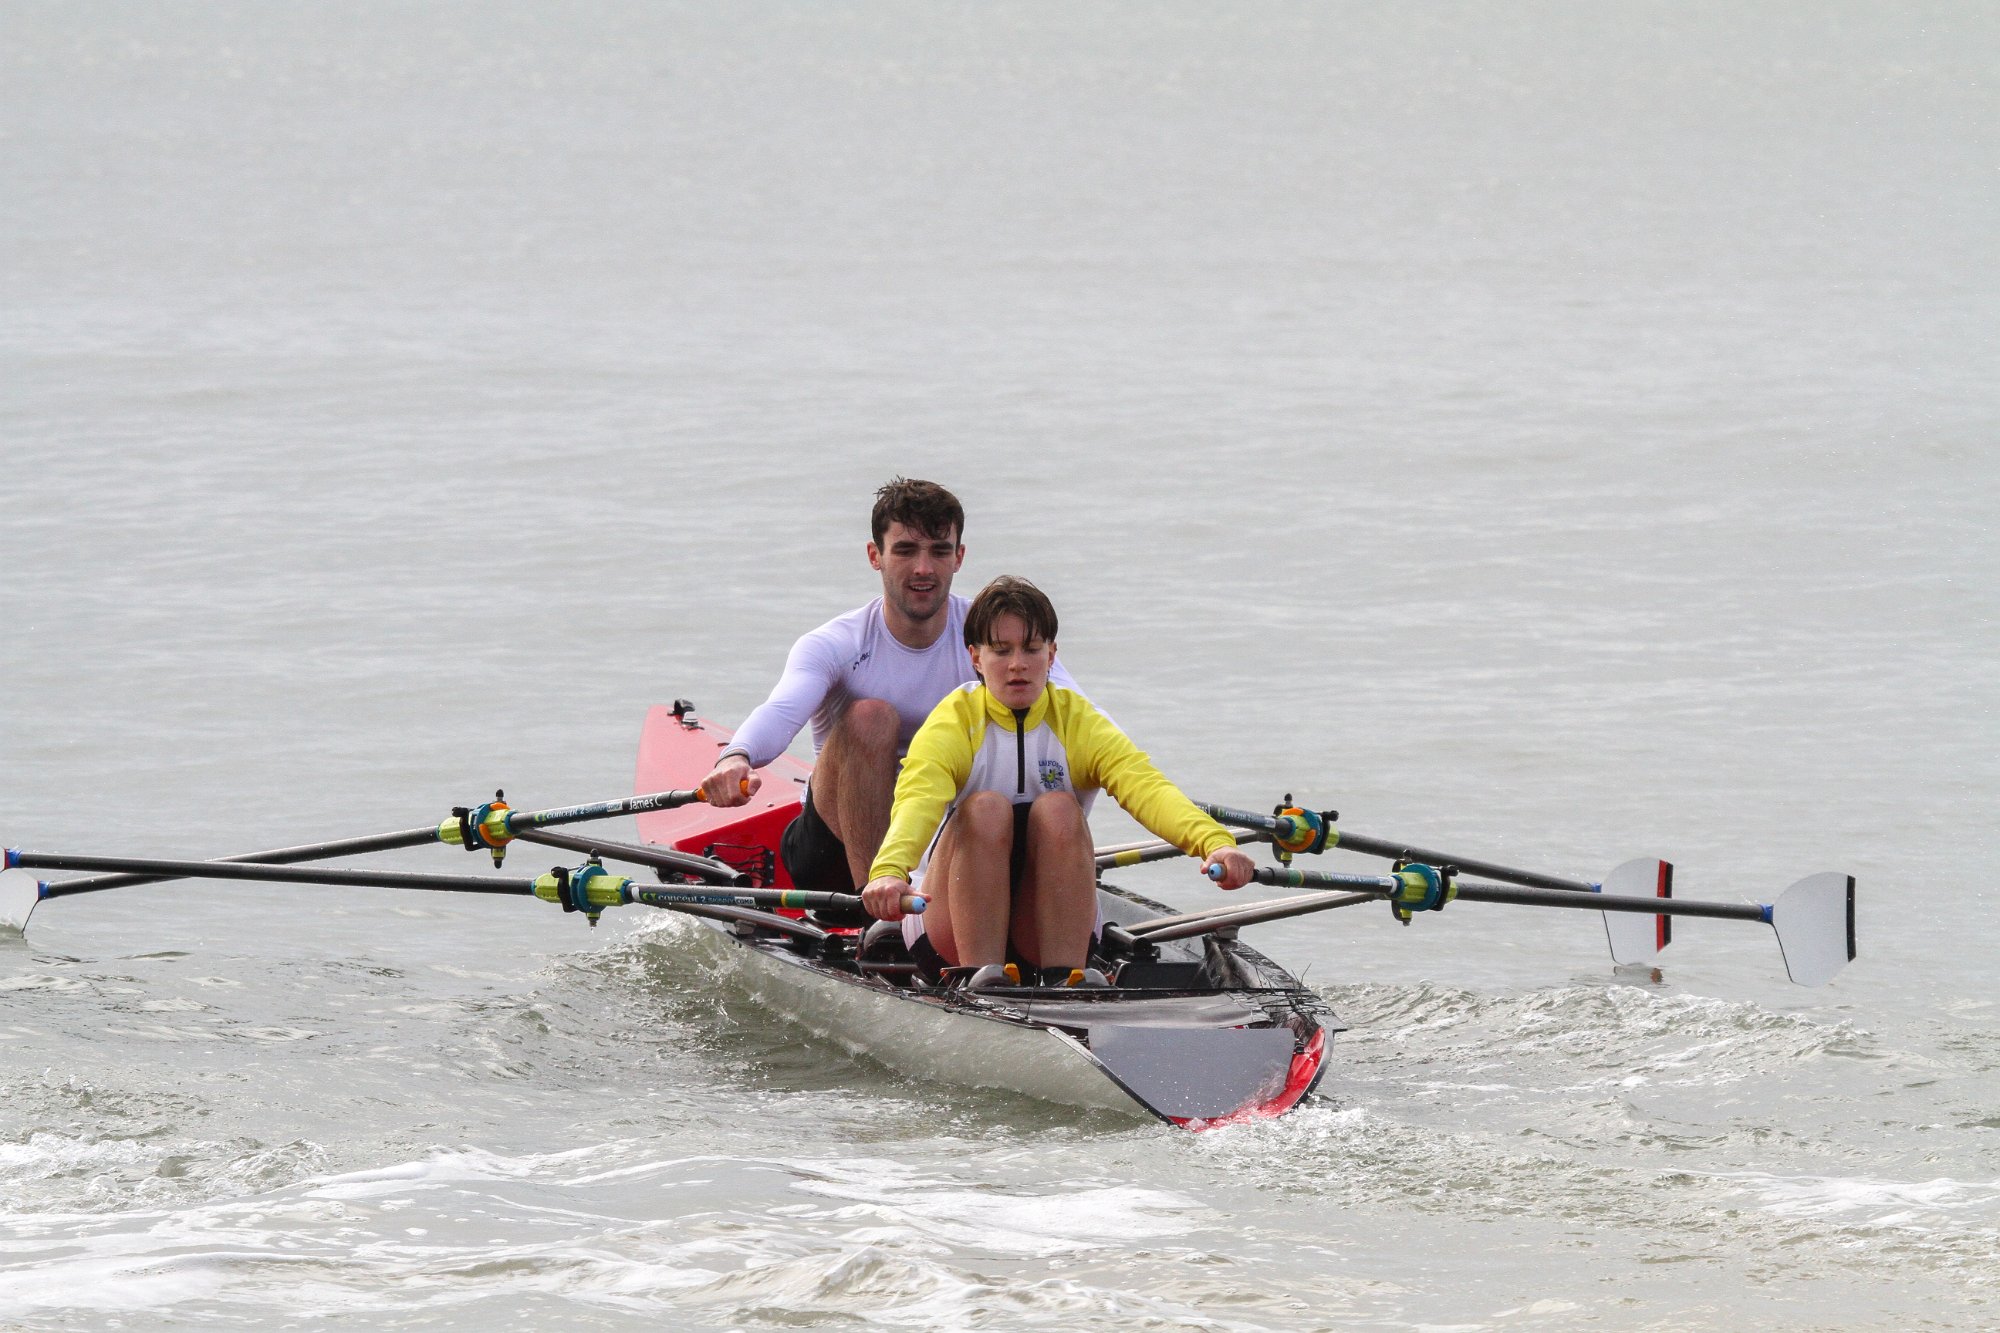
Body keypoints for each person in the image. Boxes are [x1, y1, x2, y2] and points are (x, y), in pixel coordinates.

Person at [859, 576, 1256, 988]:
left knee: (1059, 808)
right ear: (975, 657)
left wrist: (1215, 844)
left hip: (1045, 931)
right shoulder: (954, 721)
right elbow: (917, 801)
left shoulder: (1077, 721)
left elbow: (1147, 788)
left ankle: (1065, 979)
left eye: (1031, 649)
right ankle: (980, 981)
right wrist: (889, 870)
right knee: (985, 808)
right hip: (947, 931)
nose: (1018, 664)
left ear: (1052, 654)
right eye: (1001, 650)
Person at [698, 479, 1078, 894]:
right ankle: (881, 918)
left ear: (959, 558)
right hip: (835, 852)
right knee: (871, 717)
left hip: (946, 835)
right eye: (905, 550)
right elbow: (782, 710)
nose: (923, 568)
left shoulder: (994, 637)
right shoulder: (838, 644)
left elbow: (1078, 712)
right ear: (874, 556)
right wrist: (736, 757)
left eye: (939, 550)